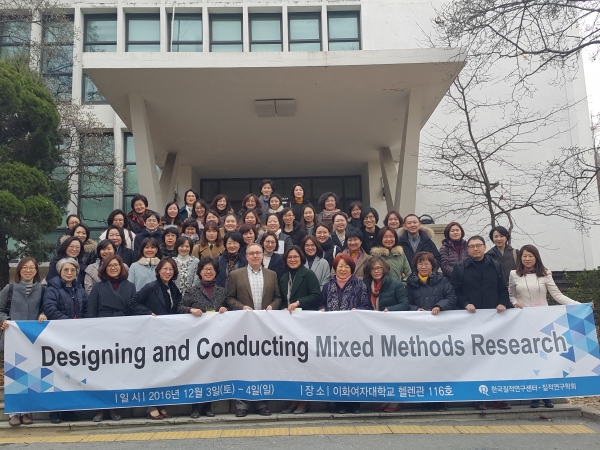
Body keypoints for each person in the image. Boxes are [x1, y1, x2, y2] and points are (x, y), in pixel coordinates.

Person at [509, 244, 583, 409]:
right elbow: (512, 295)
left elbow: (557, 295)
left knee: (545, 358)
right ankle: (535, 396)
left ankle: (547, 395)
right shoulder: (514, 274)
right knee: (531, 358)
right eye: (524, 256)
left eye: (530, 256)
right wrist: (515, 303)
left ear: (536, 257)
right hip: (525, 321)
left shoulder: (545, 273)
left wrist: (579, 305)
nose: (527, 259)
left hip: (544, 321)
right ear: (520, 258)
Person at [451, 236, 511, 411]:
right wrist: (465, 303)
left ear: (485, 247)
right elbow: (454, 292)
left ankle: (497, 396)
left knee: (494, 358)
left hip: (494, 321)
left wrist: (503, 303)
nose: (475, 249)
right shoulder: (460, 268)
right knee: (475, 360)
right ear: (467, 249)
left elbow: (503, 288)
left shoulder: (496, 265)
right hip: (471, 321)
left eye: (478, 246)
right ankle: (479, 397)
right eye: (471, 246)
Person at [225, 243, 281, 417]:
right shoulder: (235, 275)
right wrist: (242, 307)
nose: (255, 256)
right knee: (243, 364)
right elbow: (230, 299)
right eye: (251, 253)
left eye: (258, 253)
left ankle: (261, 403)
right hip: (243, 328)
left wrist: (273, 306)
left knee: (262, 364)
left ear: (263, 255)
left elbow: (278, 297)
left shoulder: (272, 275)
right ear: (246, 256)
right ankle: (241, 404)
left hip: (264, 328)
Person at [129, 258, 182, 420]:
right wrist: (147, 313)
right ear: (158, 270)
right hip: (151, 335)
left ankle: (161, 404)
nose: (168, 272)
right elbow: (133, 303)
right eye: (165, 269)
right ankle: (151, 406)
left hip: (167, 335)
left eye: (171, 269)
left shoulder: (174, 288)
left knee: (163, 371)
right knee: (152, 371)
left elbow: (177, 308)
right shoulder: (150, 287)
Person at [86, 254, 136, 423]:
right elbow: (91, 312)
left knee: (117, 372)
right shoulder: (98, 287)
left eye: (116, 265)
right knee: (102, 372)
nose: (113, 268)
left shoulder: (130, 286)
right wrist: (93, 333)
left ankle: (114, 406)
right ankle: (101, 407)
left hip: (123, 333)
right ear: (104, 269)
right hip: (103, 333)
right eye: (110, 265)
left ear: (121, 267)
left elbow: (134, 310)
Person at [405, 251, 456, 412]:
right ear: (416, 266)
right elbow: (406, 302)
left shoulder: (442, 280)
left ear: (433, 265)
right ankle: (425, 399)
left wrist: (439, 306)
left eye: (427, 263)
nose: (423, 266)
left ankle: (440, 400)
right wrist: (415, 309)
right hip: (419, 331)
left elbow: (451, 298)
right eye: (420, 263)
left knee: (439, 365)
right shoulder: (411, 283)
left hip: (439, 330)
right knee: (422, 365)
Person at [319, 254, 369, 414]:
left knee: (354, 368)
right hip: (333, 334)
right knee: (336, 369)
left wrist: (357, 310)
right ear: (335, 268)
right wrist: (322, 309)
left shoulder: (360, 285)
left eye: (347, 266)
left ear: (351, 269)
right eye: (340, 266)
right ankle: (339, 403)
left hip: (353, 335)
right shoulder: (327, 286)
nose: (343, 269)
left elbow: (366, 305)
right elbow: (321, 303)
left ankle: (354, 403)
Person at [179, 257, 228, 418]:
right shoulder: (192, 290)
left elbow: (229, 308)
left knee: (211, 371)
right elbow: (179, 307)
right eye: (205, 269)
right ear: (200, 272)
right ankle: (195, 407)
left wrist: (225, 309)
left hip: (216, 339)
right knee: (196, 371)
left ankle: (207, 406)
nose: (208, 272)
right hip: (196, 339)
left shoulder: (222, 291)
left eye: (211, 269)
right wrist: (190, 310)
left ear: (216, 272)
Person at [0, 257, 45, 427]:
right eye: (24, 267)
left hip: (33, 340)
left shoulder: (42, 289)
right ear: (19, 270)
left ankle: (26, 411)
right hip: (13, 339)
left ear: (36, 271)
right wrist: (4, 320)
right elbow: (0, 310)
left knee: (31, 375)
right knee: (13, 375)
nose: (28, 270)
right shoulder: (9, 288)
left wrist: (43, 314)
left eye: (31, 268)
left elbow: (44, 308)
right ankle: (13, 413)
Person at [43, 257, 88, 424]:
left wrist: (81, 324)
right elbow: (50, 309)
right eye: (66, 270)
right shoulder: (52, 289)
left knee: (72, 374)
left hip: (76, 337)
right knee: (57, 374)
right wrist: (69, 323)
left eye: (72, 270)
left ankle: (69, 410)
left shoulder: (80, 289)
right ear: (60, 271)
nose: (69, 273)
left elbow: (86, 309)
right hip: (58, 337)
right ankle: (55, 411)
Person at [363, 256, 409, 413]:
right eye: (373, 269)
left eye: (379, 268)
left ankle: (396, 400)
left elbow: (405, 304)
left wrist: (390, 310)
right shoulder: (366, 286)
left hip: (392, 331)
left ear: (384, 269)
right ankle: (386, 398)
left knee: (393, 365)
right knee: (380, 367)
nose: (376, 271)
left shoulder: (395, 284)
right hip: (374, 332)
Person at [279, 246, 321, 415]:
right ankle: (294, 399)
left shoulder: (308, 274)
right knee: (292, 363)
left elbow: (316, 295)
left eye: (295, 257)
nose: (292, 260)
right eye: (289, 257)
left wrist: (298, 303)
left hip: (305, 324)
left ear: (301, 258)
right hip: (289, 325)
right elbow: (282, 299)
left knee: (304, 362)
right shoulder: (283, 277)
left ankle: (304, 401)